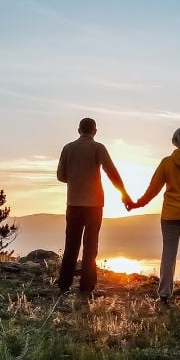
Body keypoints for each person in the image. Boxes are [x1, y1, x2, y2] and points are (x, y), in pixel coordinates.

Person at [128, 127, 180, 306]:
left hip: (170, 214)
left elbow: (154, 189)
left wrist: (138, 203)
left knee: (168, 254)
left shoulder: (167, 163)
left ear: (174, 141)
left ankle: (164, 295)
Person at [56, 117, 131, 296]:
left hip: (73, 203)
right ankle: (87, 287)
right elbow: (111, 171)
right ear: (95, 131)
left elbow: (60, 175)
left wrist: (74, 179)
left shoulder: (68, 148)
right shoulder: (98, 148)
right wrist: (124, 193)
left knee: (71, 245)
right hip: (94, 204)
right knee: (91, 246)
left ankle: (64, 285)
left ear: (78, 130)